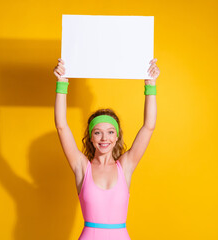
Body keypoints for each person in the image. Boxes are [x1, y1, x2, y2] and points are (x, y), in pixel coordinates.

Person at [53, 58, 160, 239]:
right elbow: (61, 125)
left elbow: (149, 126)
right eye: (98, 133)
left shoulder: (126, 165)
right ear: (90, 137)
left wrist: (150, 86)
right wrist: (61, 84)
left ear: (117, 136)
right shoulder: (81, 167)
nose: (105, 138)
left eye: (110, 132)